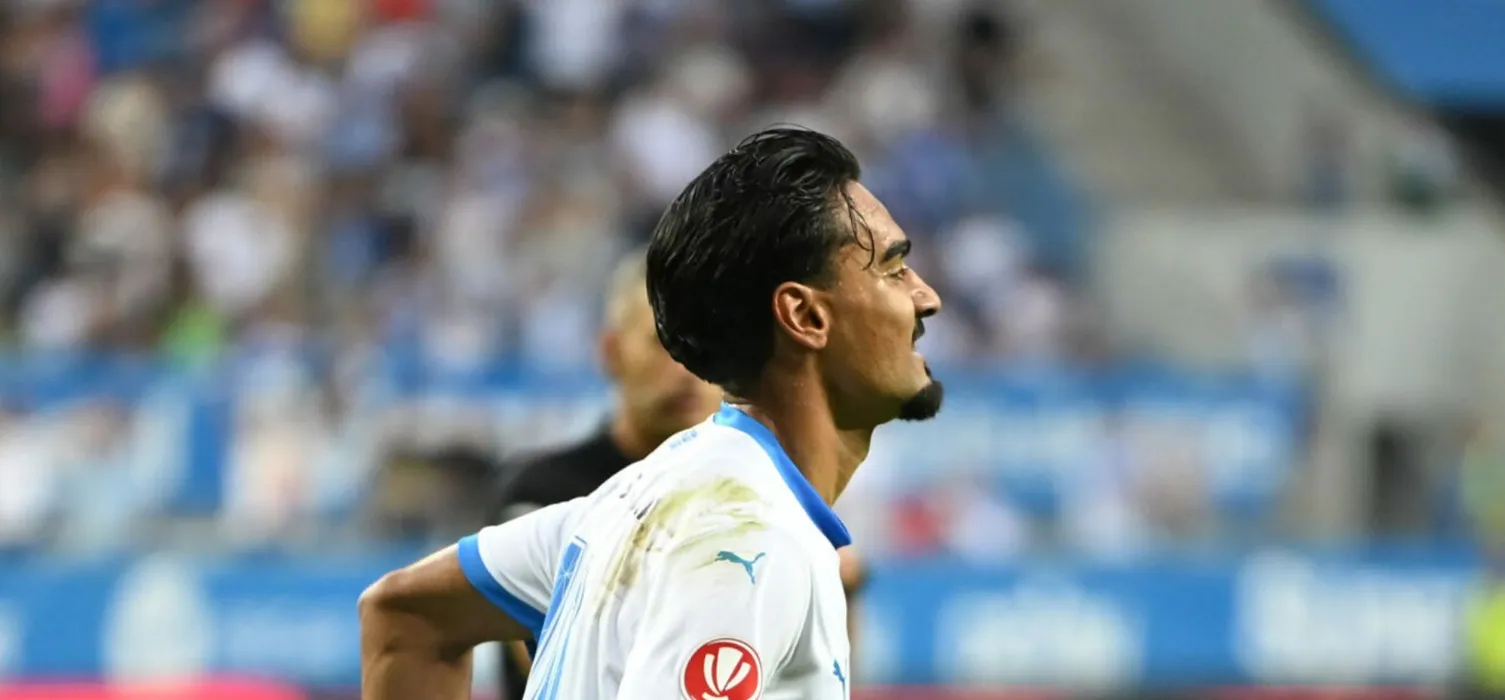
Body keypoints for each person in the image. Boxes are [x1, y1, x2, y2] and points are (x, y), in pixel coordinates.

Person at [359, 127, 943, 700]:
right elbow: (405, 615)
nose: (927, 297)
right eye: (894, 270)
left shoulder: (622, 503)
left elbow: (407, 616)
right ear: (805, 316)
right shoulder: (747, 542)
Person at [486, 249, 870, 699]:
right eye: (664, 343)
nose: (688, 369)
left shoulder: (770, 493)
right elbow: (554, 655)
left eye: (706, 344)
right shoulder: (545, 491)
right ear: (611, 352)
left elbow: (829, 670)